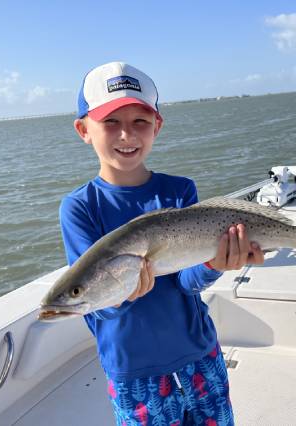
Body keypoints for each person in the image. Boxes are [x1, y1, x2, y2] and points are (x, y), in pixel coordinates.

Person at [60, 61, 264, 426]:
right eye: (110, 122)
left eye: (139, 121)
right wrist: (121, 293)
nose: (126, 135)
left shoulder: (179, 190)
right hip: (133, 371)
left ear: (157, 126)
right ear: (83, 129)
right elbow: (94, 305)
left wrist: (214, 264)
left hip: (198, 352)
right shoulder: (79, 208)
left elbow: (186, 283)